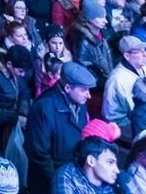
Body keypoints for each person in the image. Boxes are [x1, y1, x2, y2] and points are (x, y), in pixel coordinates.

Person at [24, 62, 95, 194]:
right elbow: (38, 153)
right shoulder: (43, 107)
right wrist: (59, 180)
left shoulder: (80, 101)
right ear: (67, 88)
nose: (89, 95)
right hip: (48, 183)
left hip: (71, 176)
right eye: (83, 90)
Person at [102, 35, 146, 137]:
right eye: (140, 52)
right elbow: (111, 116)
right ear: (127, 56)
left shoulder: (144, 68)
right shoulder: (117, 79)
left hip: (142, 116)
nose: (145, 54)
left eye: (144, 50)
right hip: (124, 126)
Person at [51, 137, 119, 194]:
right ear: (91, 161)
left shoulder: (112, 184)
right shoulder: (67, 175)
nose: (117, 170)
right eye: (110, 162)